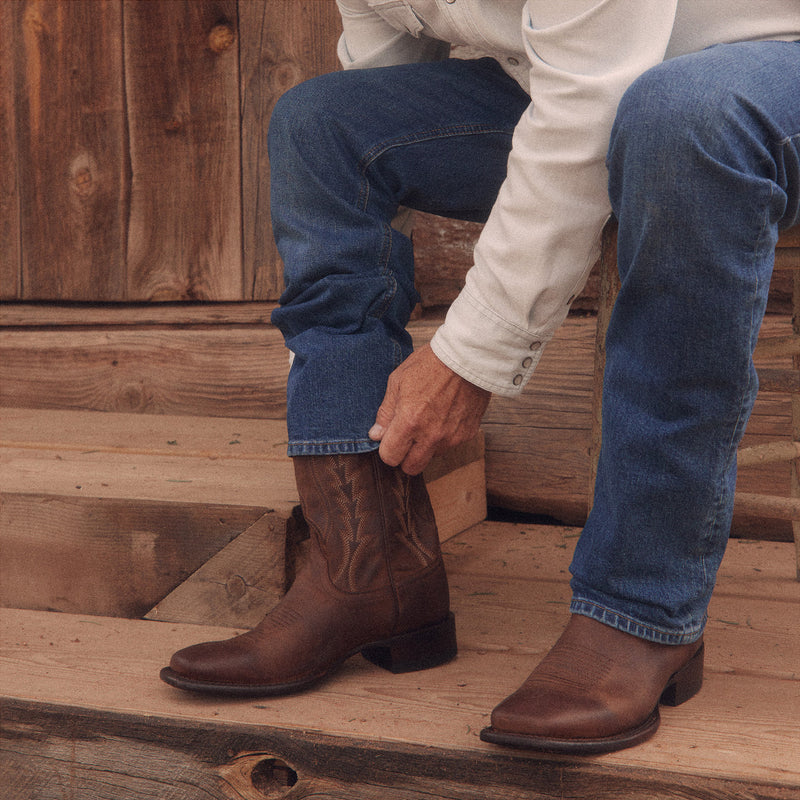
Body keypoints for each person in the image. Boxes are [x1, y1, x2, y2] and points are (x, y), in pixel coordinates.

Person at [160, 1, 800, 755]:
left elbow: (591, 107)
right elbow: (389, 82)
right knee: (322, 125)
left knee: (681, 117)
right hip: (595, 86)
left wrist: (469, 358)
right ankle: (367, 568)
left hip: (759, 68)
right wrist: (341, 366)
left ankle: (642, 609)